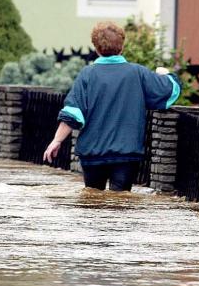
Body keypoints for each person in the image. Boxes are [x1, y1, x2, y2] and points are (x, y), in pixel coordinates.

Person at [43, 21, 181, 191]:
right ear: (122, 47)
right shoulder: (137, 73)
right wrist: (166, 74)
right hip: (126, 155)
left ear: (96, 48)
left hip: (92, 154)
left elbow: (73, 113)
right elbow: (169, 90)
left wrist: (57, 140)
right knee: (120, 205)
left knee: (93, 202)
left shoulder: (87, 74)